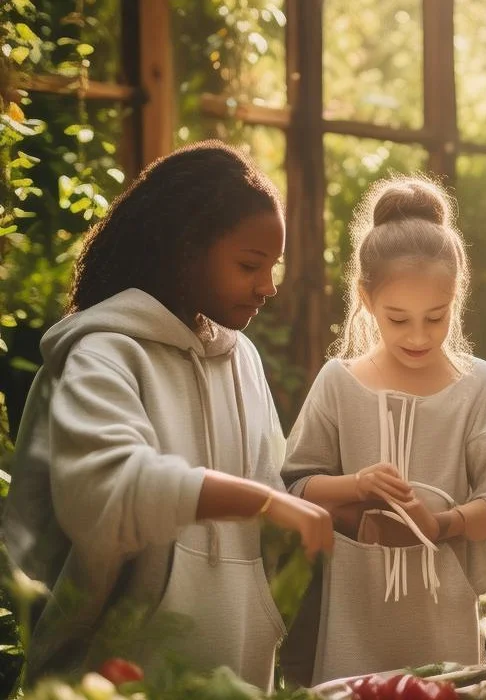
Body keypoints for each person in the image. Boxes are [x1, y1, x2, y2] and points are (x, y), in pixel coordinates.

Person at [2, 141, 333, 688]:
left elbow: (265, 494)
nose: (268, 286)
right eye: (250, 264)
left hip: (239, 680)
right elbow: (106, 490)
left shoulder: (241, 358)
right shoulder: (103, 353)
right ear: (185, 249)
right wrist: (264, 501)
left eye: (272, 265)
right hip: (113, 684)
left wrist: (339, 501)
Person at [281, 176, 486, 682]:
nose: (418, 336)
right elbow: (295, 484)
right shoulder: (338, 384)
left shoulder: (479, 386)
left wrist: (439, 526)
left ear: (457, 295)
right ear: (365, 298)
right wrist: (357, 486)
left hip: (445, 621)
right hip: (353, 620)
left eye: (435, 317)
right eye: (398, 318)